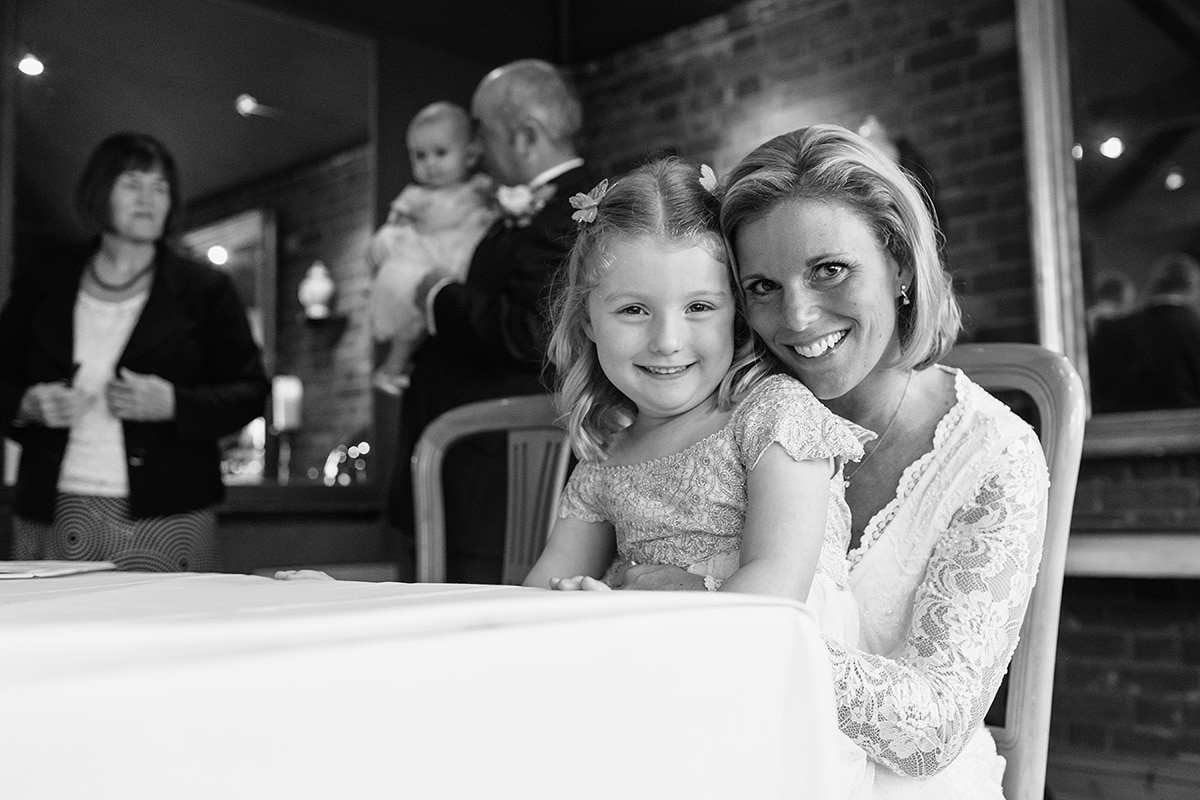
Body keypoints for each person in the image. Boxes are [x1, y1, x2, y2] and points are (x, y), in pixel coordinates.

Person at [611, 125, 1050, 799]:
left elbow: (932, 729)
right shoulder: (724, 422)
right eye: (761, 286)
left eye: (829, 270)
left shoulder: (995, 454)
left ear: (900, 263)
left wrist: (711, 613)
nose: (799, 316)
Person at [523, 156, 872, 799]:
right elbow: (539, 591)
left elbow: (775, 593)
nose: (666, 339)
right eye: (633, 309)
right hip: (649, 695)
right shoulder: (608, 454)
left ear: (735, 314)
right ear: (586, 322)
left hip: (769, 705)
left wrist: (636, 620)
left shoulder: (772, 415)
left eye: (699, 307)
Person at [0, 132, 269, 571]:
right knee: (56, 637)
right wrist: (27, 404)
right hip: (53, 503)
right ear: (98, 191)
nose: (148, 198)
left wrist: (174, 403)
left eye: (160, 187)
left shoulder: (204, 289)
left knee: (166, 637)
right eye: (132, 183)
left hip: (169, 510)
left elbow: (252, 391)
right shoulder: (45, 281)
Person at [384, 59, 597, 583]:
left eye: (480, 128)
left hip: (497, 478)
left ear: (525, 136)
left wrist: (438, 293)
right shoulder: (516, 208)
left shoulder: (575, 209)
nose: (473, 143)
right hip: (467, 470)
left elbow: (536, 331)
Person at [366, 101, 497, 393]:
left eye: (440, 153)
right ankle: (393, 367)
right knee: (412, 323)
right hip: (424, 262)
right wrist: (387, 235)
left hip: (463, 262)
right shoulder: (415, 196)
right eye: (420, 155)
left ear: (471, 153)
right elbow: (394, 225)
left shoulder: (481, 187)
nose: (430, 164)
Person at [1089, 252, 1200, 412]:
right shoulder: (1194, 330)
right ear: (1193, 288)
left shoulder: (1112, 331)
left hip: (1119, 431)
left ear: (1155, 284)